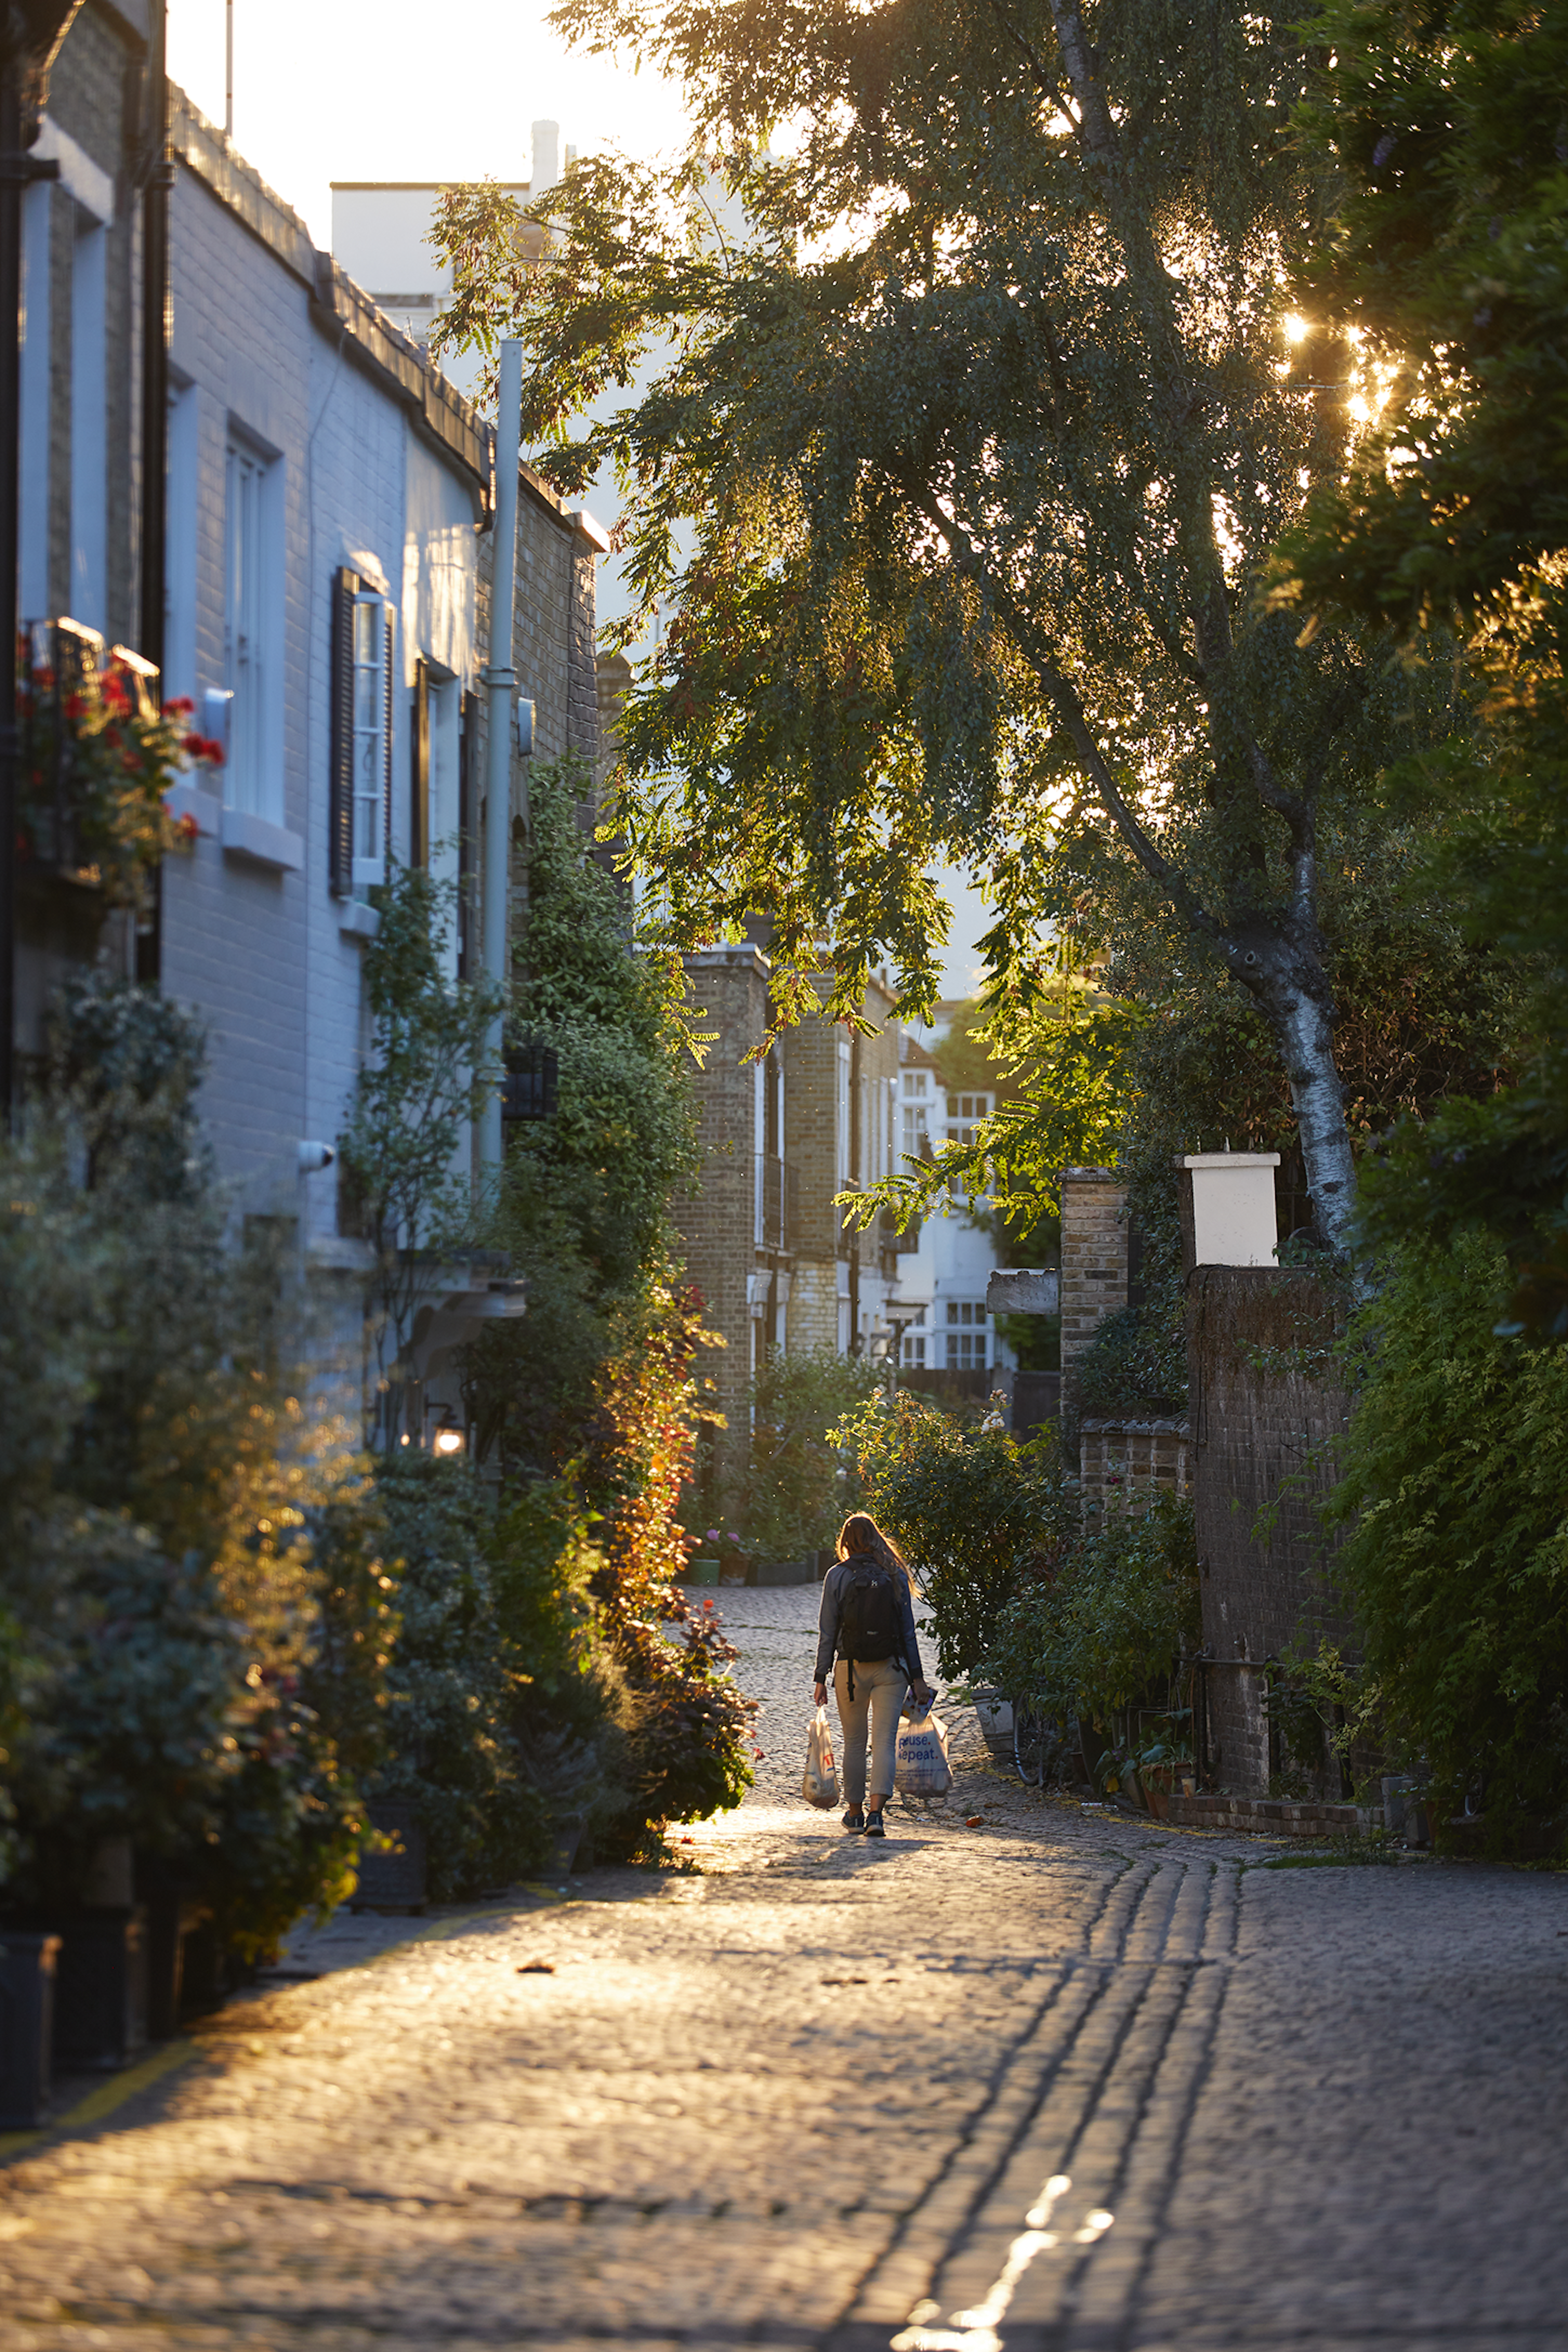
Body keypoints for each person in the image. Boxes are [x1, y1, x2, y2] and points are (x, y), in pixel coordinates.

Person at [813, 1512, 934, 1836]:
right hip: (891, 1668)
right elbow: (908, 1632)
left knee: (854, 1742)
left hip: (850, 1670)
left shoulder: (836, 1576)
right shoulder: (894, 1573)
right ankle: (877, 1815)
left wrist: (821, 1677)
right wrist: (918, 1677)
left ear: (845, 1543)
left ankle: (854, 1814)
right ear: (875, 1537)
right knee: (883, 1742)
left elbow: (827, 1631)